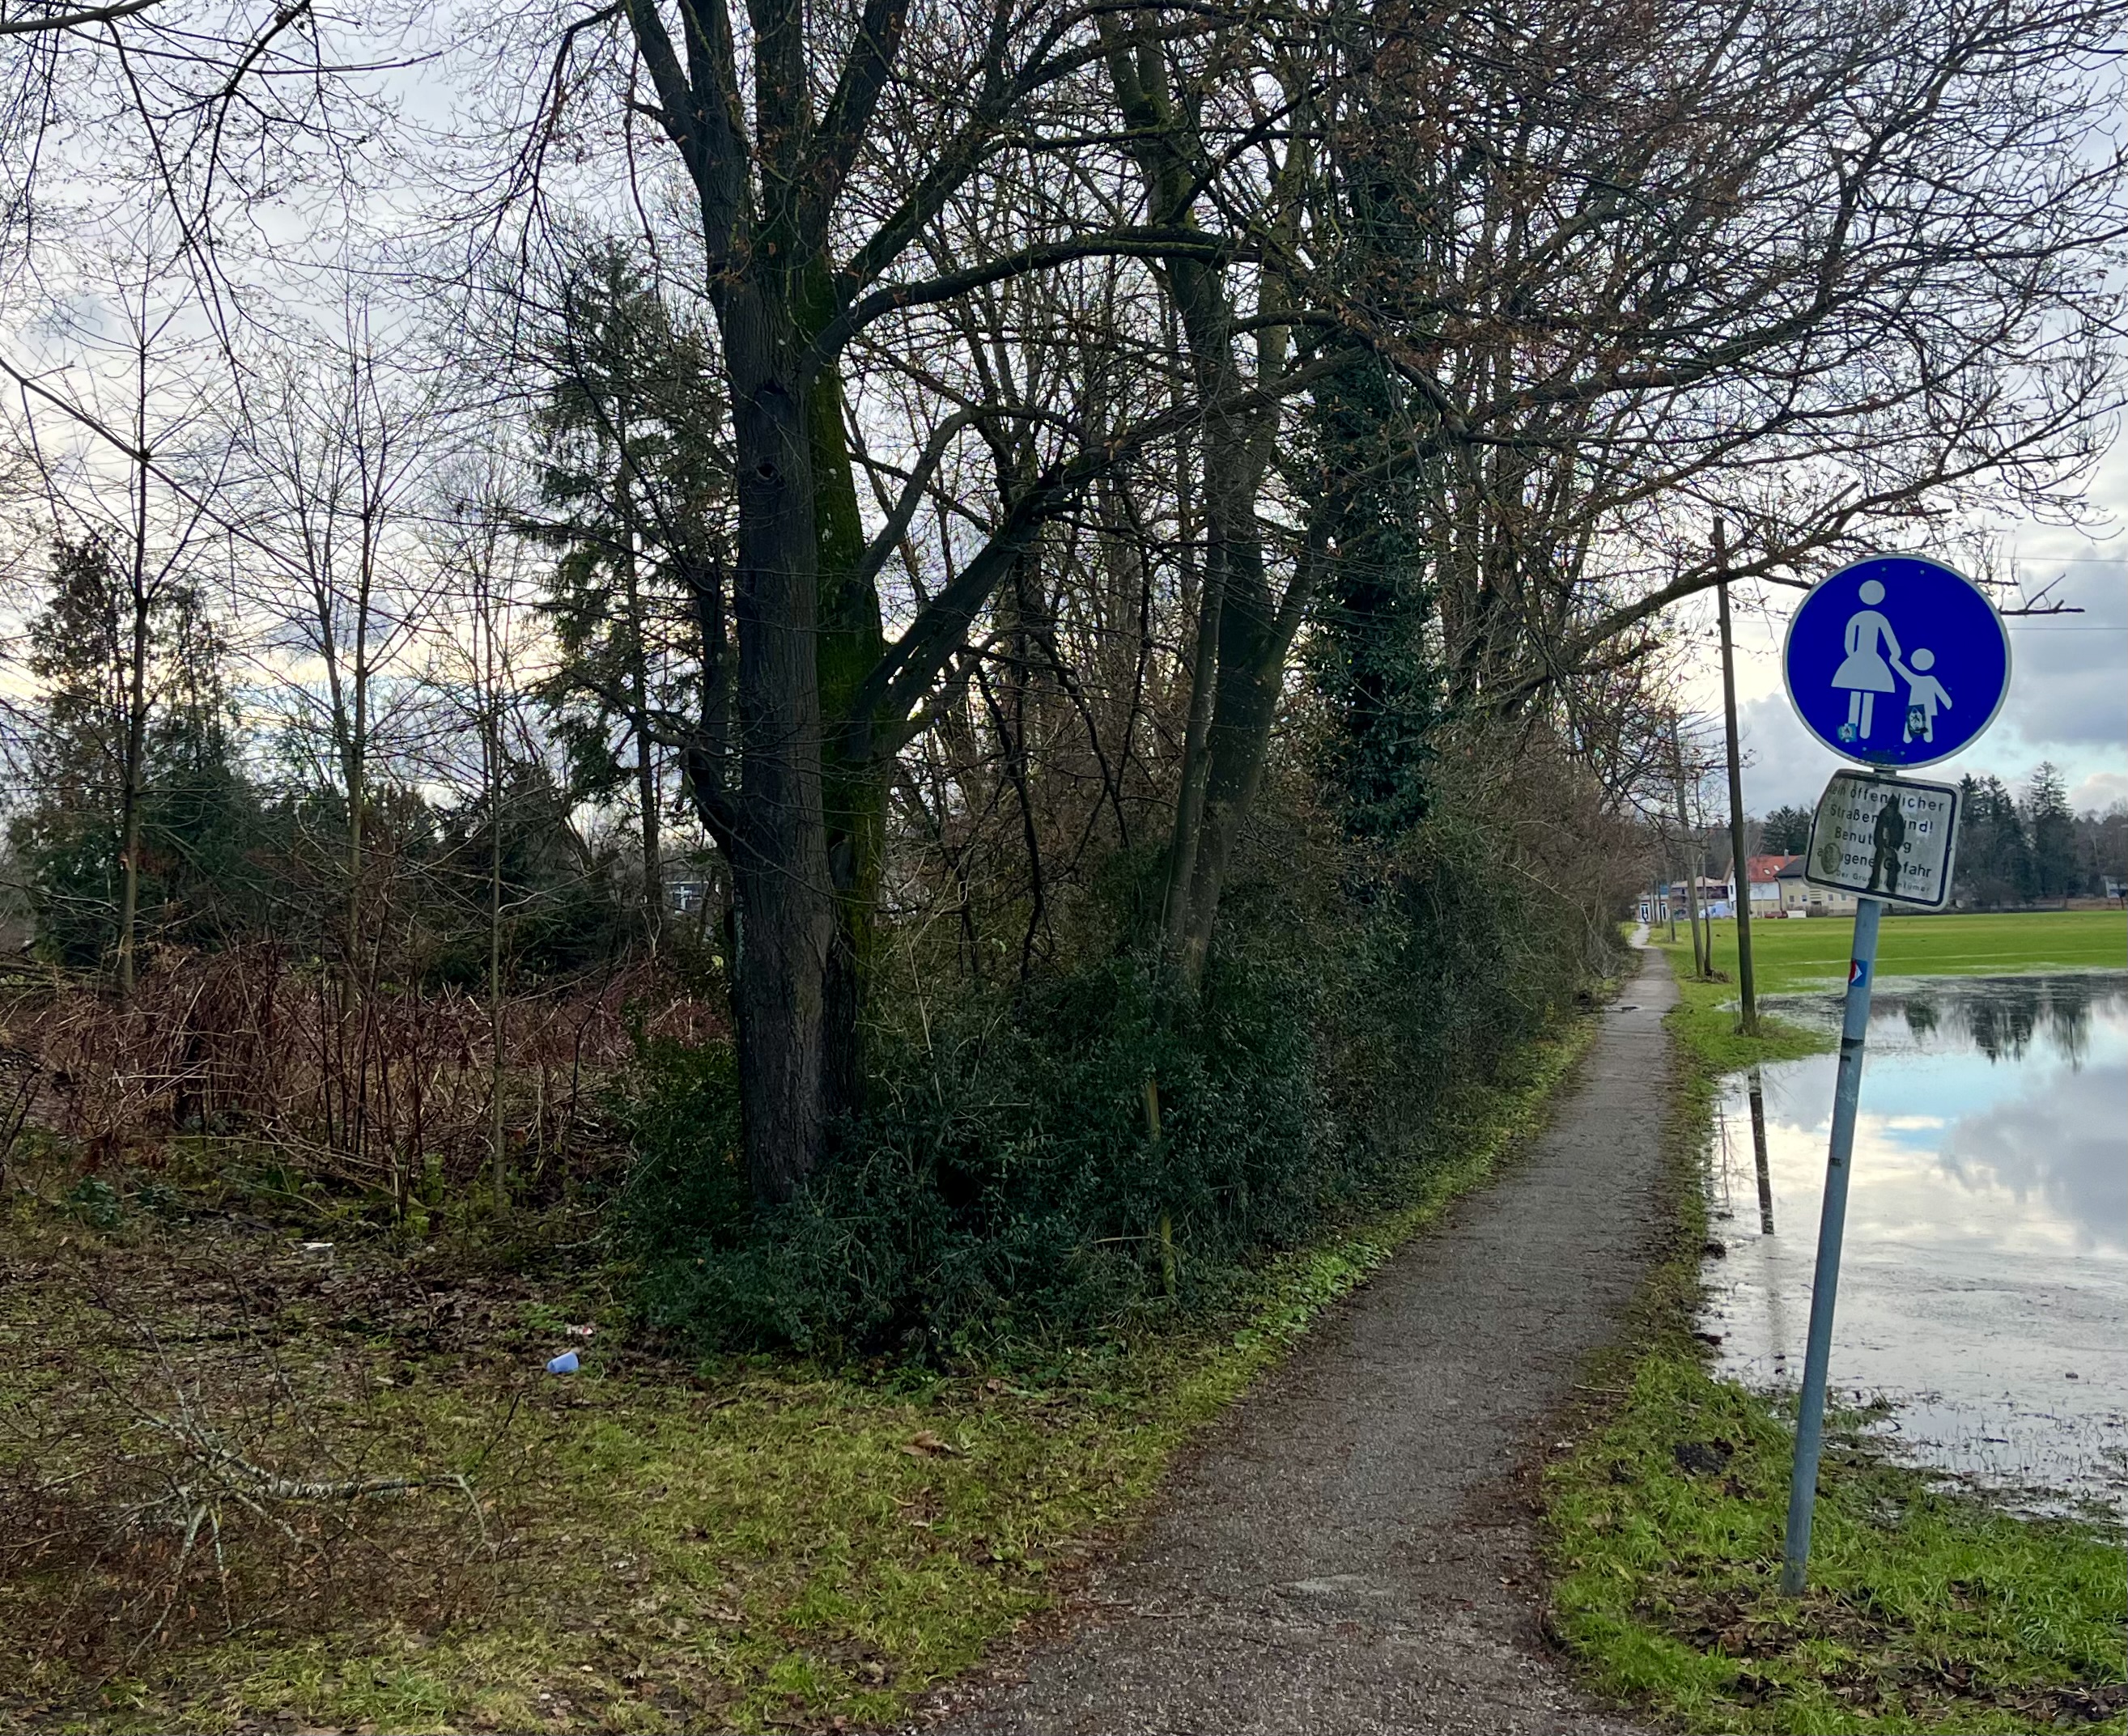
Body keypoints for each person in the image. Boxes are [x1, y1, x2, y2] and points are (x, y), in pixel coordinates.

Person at [1832, 579, 1901, 742]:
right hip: (1869, 659)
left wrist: (1852, 656)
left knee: (1859, 695)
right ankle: (1862, 734)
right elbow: (1891, 640)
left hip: (1860, 658)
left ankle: (1855, 736)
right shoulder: (1877, 618)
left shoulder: (1859, 618)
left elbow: (1849, 642)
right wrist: (1895, 654)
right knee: (1866, 694)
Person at [1892, 647, 1952, 745]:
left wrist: (1895, 662)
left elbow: (1940, 692)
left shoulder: (1920, 679)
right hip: (1920, 705)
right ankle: (1914, 741)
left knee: (1920, 721)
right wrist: (1947, 703)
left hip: (1920, 705)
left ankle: (1920, 741)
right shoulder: (1924, 679)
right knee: (1919, 722)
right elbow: (1941, 693)